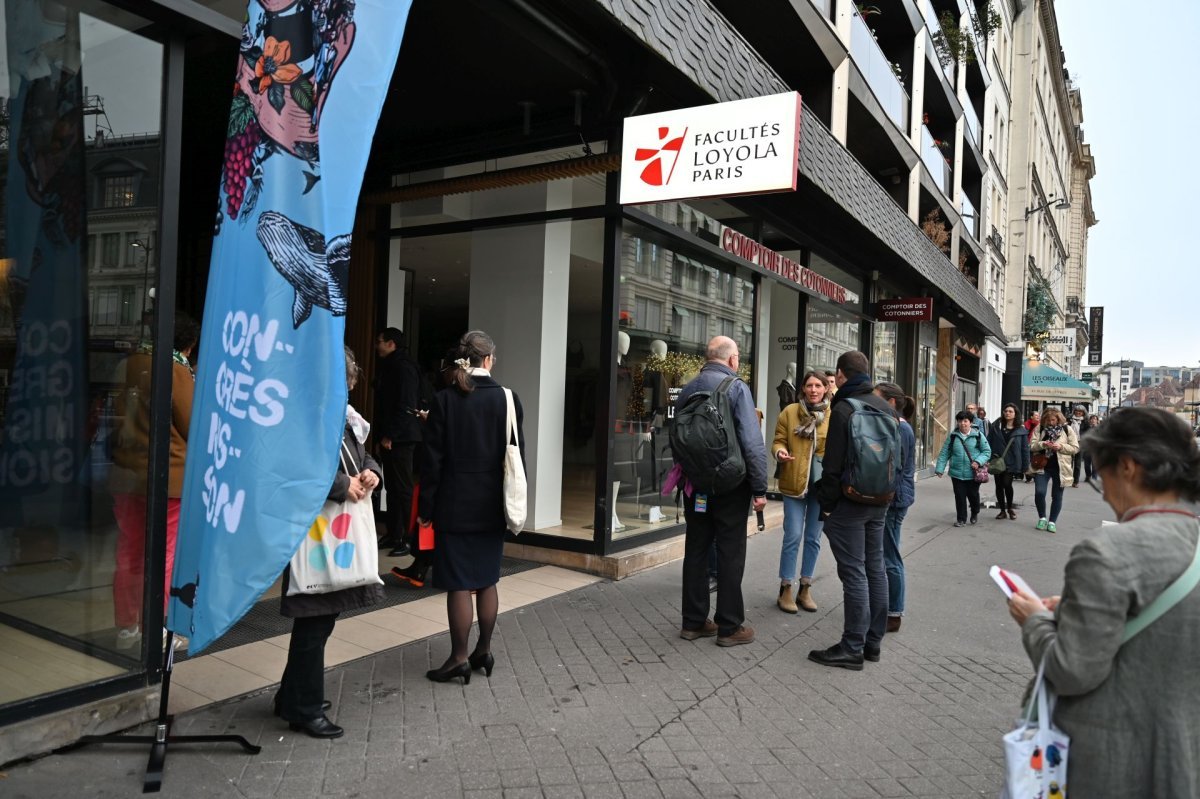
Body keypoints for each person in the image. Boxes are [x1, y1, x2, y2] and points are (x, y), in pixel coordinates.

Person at [1006, 407, 1200, 797]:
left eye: (1101, 474)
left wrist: (1036, 620)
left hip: (1108, 762)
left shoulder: (1106, 550)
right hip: (1183, 757)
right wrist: (1074, 608)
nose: (1105, 492)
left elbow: (1072, 670)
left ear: (1127, 467)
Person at [276, 346, 383, 739]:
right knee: (314, 620)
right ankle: (302, 707)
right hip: (316, 530)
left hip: (328, 529)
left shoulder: (339, 415)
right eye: (345, 383)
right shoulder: (304, 415)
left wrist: (370, 473)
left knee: (318, 621)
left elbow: (363, 456)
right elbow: (293, 468)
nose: (348, 391)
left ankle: (293, 696)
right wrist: (344, 485)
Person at [419, 330, 524, 683]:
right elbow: (516, 455)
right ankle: (484, 650)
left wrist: (426, 508)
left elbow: (431, 462)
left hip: (455, 503)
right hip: (493, 503)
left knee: (460, 583)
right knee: (487, 579)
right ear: (489, 359)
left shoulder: (445, 399)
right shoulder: (509, 399)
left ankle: (459, 656)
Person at [109, 311, 199, 653]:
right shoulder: (176, 370)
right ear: (188, 346)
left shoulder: (128, 364)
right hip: (167, 477)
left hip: (125, 474)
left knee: (129, 551)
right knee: (163, 554)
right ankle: (157, 628)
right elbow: (192, 424)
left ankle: (126, 625)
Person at [676, 336, 767, 647]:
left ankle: (693, 622)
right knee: (730, 553)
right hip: (730, 485)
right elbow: (752, 444)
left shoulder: (688, 388)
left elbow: (676, 438)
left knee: (697, 550)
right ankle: (729, 626)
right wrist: (759, 488)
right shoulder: (736, 388)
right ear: (732, 360)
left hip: (695, 486)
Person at [808, 351, 896, 670]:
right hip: (880, 500)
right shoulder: (885, 406)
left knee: (854, 573)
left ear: (841, 375)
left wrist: (827, 506)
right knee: (876, 567)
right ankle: (873, 643)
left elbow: (831, 466)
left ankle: (852, 646)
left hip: (849, 501)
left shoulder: (845, 408)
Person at [772, 370, 830, 614]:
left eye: (818, 385)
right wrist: (780, 452)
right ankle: (785, 587)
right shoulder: (790, 412)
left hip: (820, 486)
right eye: (810, 385)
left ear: (826, 388)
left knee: (813, 539)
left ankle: (805, 587)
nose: (814, 390)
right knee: (793, 535)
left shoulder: (833, 415)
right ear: (803, 388)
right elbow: (778, 440)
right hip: (793, 482)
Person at [373, 327, 423, 557]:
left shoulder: (403, 367)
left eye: (380, 341)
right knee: (392, 487)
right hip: (394, 436)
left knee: (402, 488)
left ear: (391, 343)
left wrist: (389, 435)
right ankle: (394, 534)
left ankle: (408, 538)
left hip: (401, 438)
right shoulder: (392, 365)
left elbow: (405, 405)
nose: (377, 345)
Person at [873, 383, 915, 633]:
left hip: (894, 498)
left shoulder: (900, 427)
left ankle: (894, 612)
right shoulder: (897, 425)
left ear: (890, 403)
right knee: (886, 553)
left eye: (876, 399)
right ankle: (887, 608)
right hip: (894, 497)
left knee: (890, 556)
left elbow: (893, 465)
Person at [934, 411, 992, 527]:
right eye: (960, 421)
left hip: (973, 473)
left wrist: (977, 461)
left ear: (971, 422)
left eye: (965, 421)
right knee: (959, 496)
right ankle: (961, 519)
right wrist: (940, 468)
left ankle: (975, 512)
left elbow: (987, 451)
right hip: (956, 473)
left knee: (973, 495)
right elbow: (945, 452)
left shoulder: (978, 435)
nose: (962, 424)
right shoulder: (953, 436)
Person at [1029, 407, 1079, 533]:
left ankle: (1052, 522)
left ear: (1058, 419)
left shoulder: (1067, 429)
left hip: (1061, 468)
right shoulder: (1040, 428)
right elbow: (1031, 445)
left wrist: (1061, 446)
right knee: (1040, 492)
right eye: (1048, 420)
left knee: (1057, 496)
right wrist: (1042, 444)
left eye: (1053, 420)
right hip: (1042, 466)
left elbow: (1075, 448)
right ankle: (1042, 518)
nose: (1050, 423)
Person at [987, 403, 1031, 520]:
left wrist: (1026, 466)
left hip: (1012, 461)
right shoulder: (996, 426)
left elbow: (1025, 449)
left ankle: (1010, 507)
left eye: (1010, 411)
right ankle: (1002, 510)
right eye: (1006, 411)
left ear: (1015, 414)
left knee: (1007, 484)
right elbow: (988, 442)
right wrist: (988, 458)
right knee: (998, 486)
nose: (1007, 413)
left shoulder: (1021, 430)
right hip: (997, 460)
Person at [1071, 407, 1097, 486]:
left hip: (1080, 444)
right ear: (1074, 411)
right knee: (1068, 463)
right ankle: (1068, 479)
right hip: (1069, 443)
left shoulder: (1085, 422)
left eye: (1080, 411)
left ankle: (1076, 481)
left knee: (1078, 464)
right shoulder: (1070, 420)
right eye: (1077, 411)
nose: (1078, 412)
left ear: (1083, 413)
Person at [1080, 413, 1100, 482]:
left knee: (1095, 464)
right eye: (1092, 419)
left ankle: (1094, 477)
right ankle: (1088, 476)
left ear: (1097, 421)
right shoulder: (1086, 428)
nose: (1093, 420)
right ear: (1090, 420)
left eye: (1095, 419)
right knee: (1087, 464)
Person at [1023, 410, 1041, 483]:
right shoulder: (1026, 424)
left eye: (1038, 415)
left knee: (1036, 460)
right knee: (1028, 460)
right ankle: (1028, 476)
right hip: (1028, 444)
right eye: (1036, 415)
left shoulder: (1040, 425)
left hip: (1037, 445)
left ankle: (1036, 476)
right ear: (1031, 417)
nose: (1038, 417)